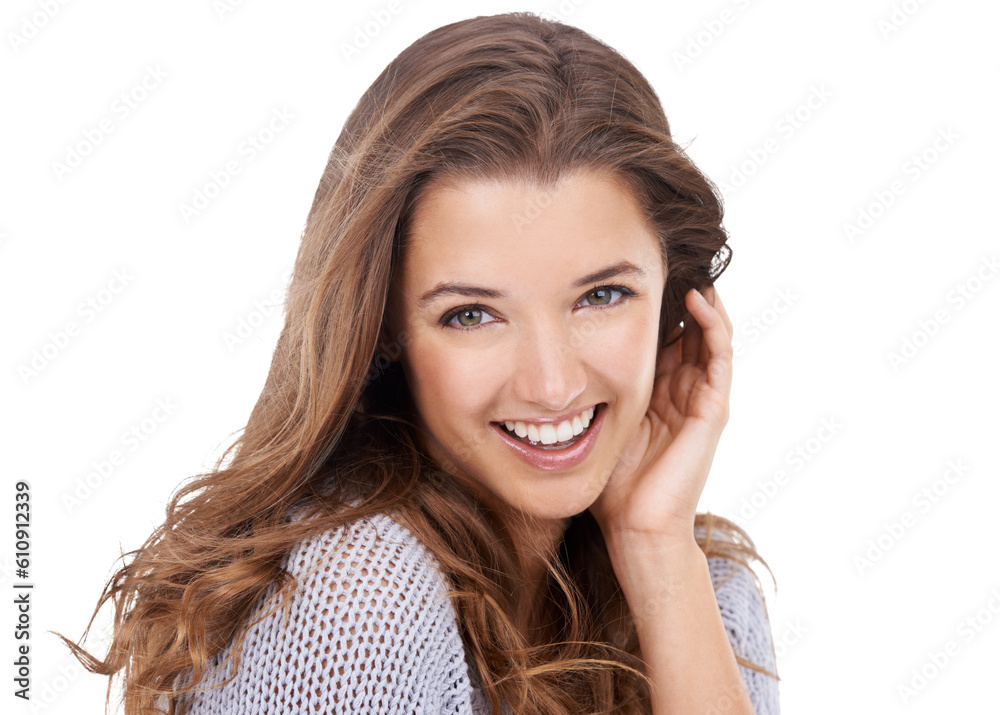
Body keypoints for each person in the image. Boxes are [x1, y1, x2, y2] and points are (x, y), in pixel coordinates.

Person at [64, 11, 781, 714]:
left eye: (602, 294)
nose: (553, 383)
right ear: (383, 326)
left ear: (676, 302)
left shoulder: (703, 586)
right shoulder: (354, 598)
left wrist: (658, 553)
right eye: (471, 314)